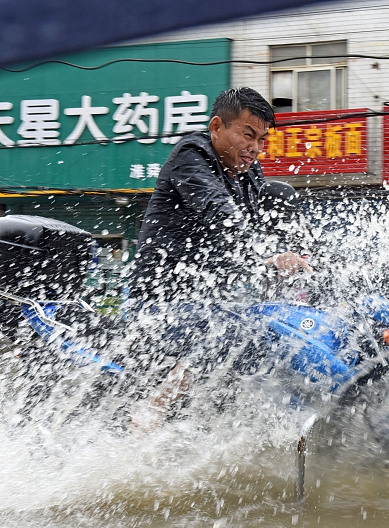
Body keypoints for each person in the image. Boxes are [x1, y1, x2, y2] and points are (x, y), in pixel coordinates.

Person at [124, 87, 311, 428]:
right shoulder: (192, 155)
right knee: (237, 330)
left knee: (276, 330)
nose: (255, 148)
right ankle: (151, 410)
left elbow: (258, 228)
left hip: (207, 304)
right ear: (216, 128)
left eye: (262, 140)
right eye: (247, 135)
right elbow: (220, 214)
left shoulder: (250, 174)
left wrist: (297, 256)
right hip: (158, 304)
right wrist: (268, 257)